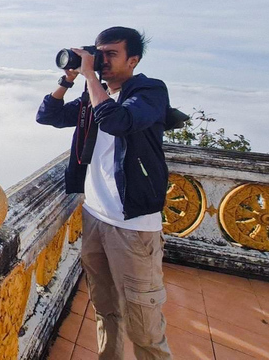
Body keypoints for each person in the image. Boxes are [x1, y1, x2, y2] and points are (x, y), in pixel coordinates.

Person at [36, 27, 172, 360]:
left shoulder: (150, 91)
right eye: (99, 53)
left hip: (133, 227)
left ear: (133, 60)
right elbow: (47, 116)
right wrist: (68, 79)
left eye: (111, 54)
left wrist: (91, 80)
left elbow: (117, 121)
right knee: (105, 310)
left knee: (145, 325)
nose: (102, 61)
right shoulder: (92, 97)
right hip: (95, 217)